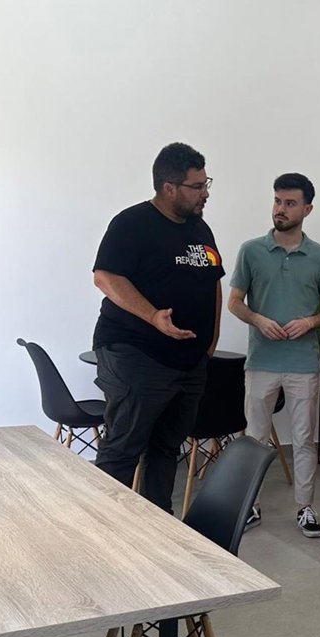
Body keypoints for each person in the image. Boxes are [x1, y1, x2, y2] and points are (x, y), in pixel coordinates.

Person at [90, 142, 223, 514]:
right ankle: (101, 529)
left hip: (189, 363)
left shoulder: (201, 229)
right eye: (197, 186)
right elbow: (105, 277)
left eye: (206, 183)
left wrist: (210, 341)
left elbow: (213, 281)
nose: (205, 193)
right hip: (137, 355)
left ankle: (157, 526)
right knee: (123, 450)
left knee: (167, 449)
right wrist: (152, 316)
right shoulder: (131, 224)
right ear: (169, 188)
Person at [229, 173, 320, 538]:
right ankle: (250, 505)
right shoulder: (251, 251)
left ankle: (305, 507)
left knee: (304, 439)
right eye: (277, 201)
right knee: (254, 439)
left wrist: (309, 322)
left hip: (302, 363)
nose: (280, 209)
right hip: (261, 361)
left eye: (290, 203)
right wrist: (258, 320)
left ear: (307, 209)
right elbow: (234, 302)